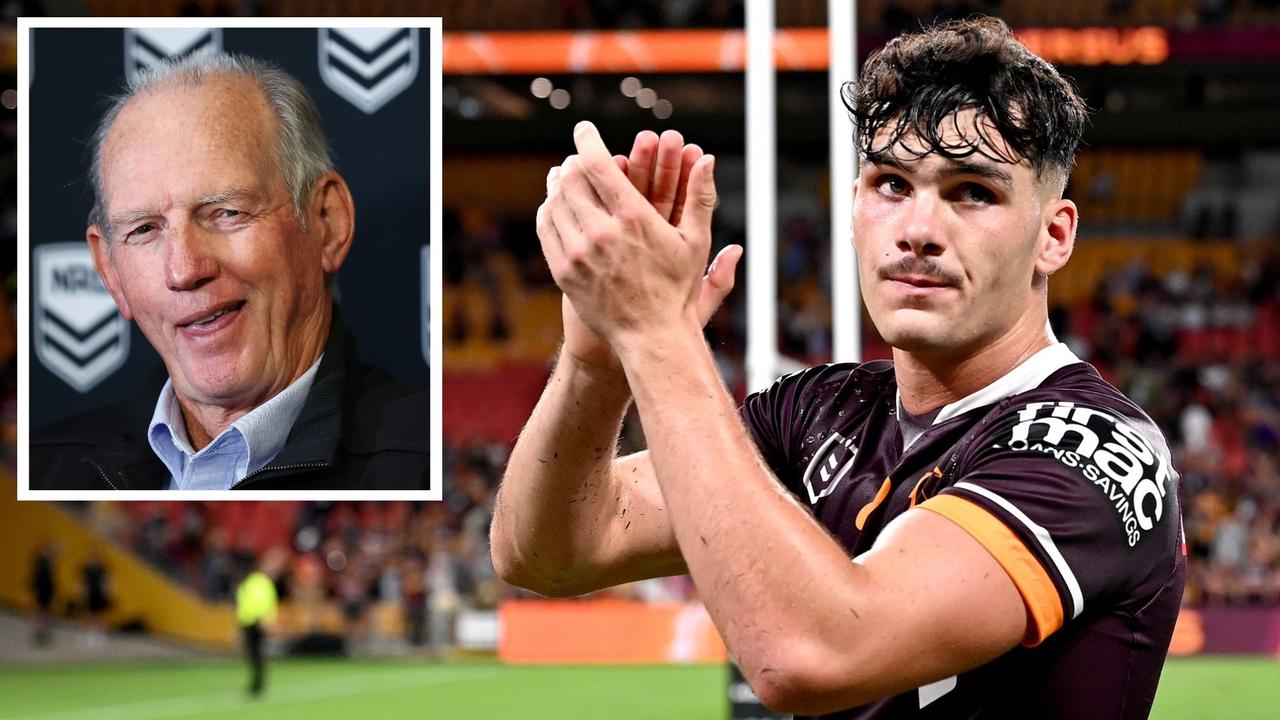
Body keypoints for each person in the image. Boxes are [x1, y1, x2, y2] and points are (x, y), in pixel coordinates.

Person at [491, 17, 1184, 719]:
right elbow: (548, 552)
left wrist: (658, 336)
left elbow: (813, 655)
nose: (917, 230)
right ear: (852, 207)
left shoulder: (1093, 450)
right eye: (890, 183)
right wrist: (597, 360)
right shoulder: (816, 411)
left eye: (973, 191)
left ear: (1054, 236)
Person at [30, 52, 428, 490]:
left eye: (226, 212)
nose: (184, 270)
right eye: (144, 229)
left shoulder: (424, 460)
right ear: (109, 271)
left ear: (326, 222)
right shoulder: (42, 471)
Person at [235, 555, 279, 698]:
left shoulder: (252, 582)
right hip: (254, 622)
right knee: (255, 655)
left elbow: (260, 603)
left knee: (256, 655)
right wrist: (268, 620)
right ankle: (257, 683)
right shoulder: (260, 583)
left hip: (253, 622)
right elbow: (264, 603)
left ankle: (258, 684)